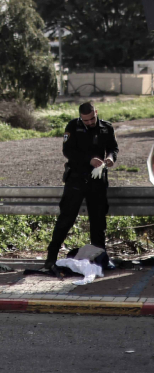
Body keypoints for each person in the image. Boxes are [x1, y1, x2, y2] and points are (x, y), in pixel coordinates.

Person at [43, 102, 119, 270]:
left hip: (97, 181)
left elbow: (113, 148)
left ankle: (99, 258)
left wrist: (111, 158)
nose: (90, 122)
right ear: (81, 118)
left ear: (96, 112)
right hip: (77, 180)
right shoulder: (73, 126)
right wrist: (89, 159)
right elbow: (68, 151)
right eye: (86, 120)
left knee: (98, 222)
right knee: (66, 219)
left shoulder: (106, 127)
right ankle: (51, 257)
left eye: (92, 118)